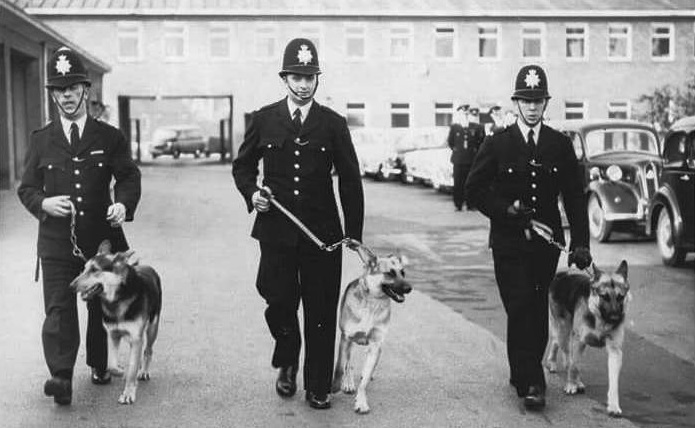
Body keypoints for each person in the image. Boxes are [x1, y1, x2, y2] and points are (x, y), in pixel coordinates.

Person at [232, 38, 364, 410]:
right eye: (297, 76)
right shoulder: (263, 118)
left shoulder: (333, 124)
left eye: (310, 77)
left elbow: (350, 179)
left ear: (317, 79)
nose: (304, 84)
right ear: (284, 78)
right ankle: (288, 356)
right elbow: (243, 167)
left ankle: (318, 384)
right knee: (278, 300)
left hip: (322, 235)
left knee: (321, 309)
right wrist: (251, 193)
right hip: (275, 232)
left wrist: (352, 232)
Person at [17, 47, 142, 406]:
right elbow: (26, 188)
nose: (66, 95)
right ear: (53, 95)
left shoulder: (109, 137)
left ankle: (100, 364)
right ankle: (61, 377)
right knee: (58, 310)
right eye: (59, 90)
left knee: (100, 307)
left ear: (86, 90)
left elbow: (129, 177)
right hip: (56, 244)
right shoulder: (41, 139)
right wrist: (43, 203)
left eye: (72, 88)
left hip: (101, 243)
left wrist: (123, 204)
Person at [464, 64, 591, 411]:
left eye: (538, 100)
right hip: (507, 244)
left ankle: (525, 375)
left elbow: (575, 197)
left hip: (544, 245)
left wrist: (581, 244)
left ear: (546, 102)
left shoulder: (559, 145)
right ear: (515, 102)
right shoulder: (497, 143)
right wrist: (504, 210)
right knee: (519, 305)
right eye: (526, 100)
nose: (532, 107)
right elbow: (473, 189)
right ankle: (531, 378)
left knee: (534, 308)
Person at [448, 104, 485, 211]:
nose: (464, 115)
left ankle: (471, 204)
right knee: (458, 183)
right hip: (458, 160)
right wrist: (458, 151)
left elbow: (480, 142)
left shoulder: (475, 127)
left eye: (466, 113)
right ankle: (458, 204)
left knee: (470, 183)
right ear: (458, 115)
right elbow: (451, 142)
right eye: (462, 113)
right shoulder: (454, 127)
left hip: (471, 159)